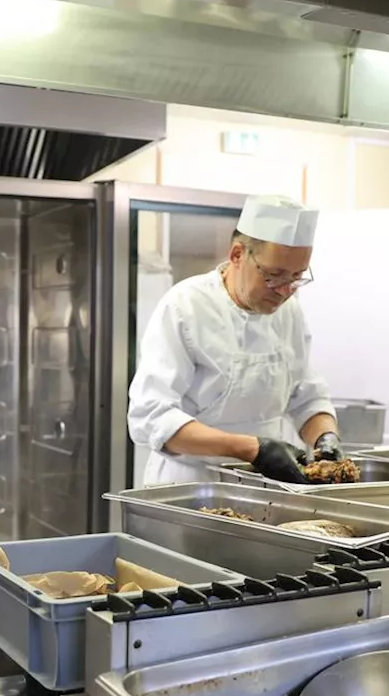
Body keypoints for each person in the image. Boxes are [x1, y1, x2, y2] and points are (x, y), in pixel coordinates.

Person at [127, 194, 340, 487]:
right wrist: (253, 449)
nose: (284, 290)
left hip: (266, 484)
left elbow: (306, 396)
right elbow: (150, 418)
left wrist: (325, 438)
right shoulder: (185, 306)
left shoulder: (288, 311)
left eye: (297, 277)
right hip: (191, 487)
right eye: (274, 275)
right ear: (237, 254)